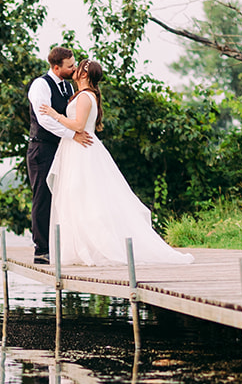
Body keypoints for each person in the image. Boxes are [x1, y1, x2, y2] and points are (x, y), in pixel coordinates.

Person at [40, 60, 194, 268]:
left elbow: (78, 125)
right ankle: (79, 247)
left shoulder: (86, 96)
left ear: (85, 75)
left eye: (80, 67)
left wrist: (55, 115)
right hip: (74, 149)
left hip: (82, 149)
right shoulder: (81, 95)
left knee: (86, 197)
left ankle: (98, 246)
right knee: (75, 197)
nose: (75, 69)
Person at [27, 47, 93, 264]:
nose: (74, 69)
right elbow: (45, 119)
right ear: (56, 67)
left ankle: (62, 246)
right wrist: (72, 135)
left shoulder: (66, 86)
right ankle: (42, 250)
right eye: (70, 66)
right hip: (42, 148)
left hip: (62, 149)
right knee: (43, 196)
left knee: (63, 197)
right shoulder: (40, 85)